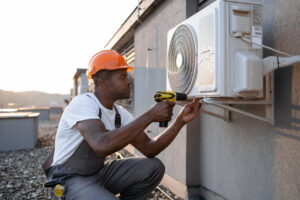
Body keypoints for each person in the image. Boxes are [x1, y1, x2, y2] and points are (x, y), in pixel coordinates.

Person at [48, 50, 201, 200]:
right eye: (122, 77)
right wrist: (150, 115)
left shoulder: (120, 114)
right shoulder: (83, 103)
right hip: (69, 179)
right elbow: (101, 145)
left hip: (97, 174)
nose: (129, 82)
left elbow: (149, 148)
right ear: (102, 82)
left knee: (153, 167)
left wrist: (180, 121)